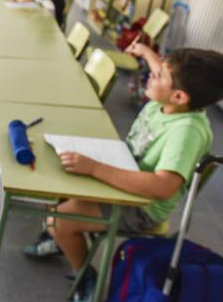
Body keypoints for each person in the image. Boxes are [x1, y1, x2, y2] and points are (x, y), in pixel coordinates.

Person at [25, 44, 223, 302]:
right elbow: (162, 71)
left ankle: (85, 275)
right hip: (124, 176)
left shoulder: (186, 131)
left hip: (143, 206)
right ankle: (62, 239)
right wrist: (146, 53)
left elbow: (163, 187)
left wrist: (95, 168)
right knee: (60, 184)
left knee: (59, 221)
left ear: (179, 97)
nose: (151, 75)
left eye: (160, 75)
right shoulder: (169, 99)